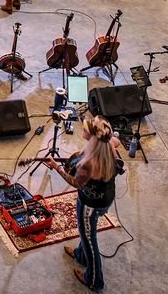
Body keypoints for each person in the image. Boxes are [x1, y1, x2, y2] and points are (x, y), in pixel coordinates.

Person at [43, 116, 121, 292]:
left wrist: (57, 167)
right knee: (86, 232)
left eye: (86, 129)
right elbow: (116, 140)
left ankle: (94, 280)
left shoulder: (89, 163)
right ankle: (80, 255)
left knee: (89, 239)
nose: (82, 129)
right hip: (106, 198)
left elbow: (75, 182)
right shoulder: (109, 144)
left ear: (93, 137)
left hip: (89, 205)